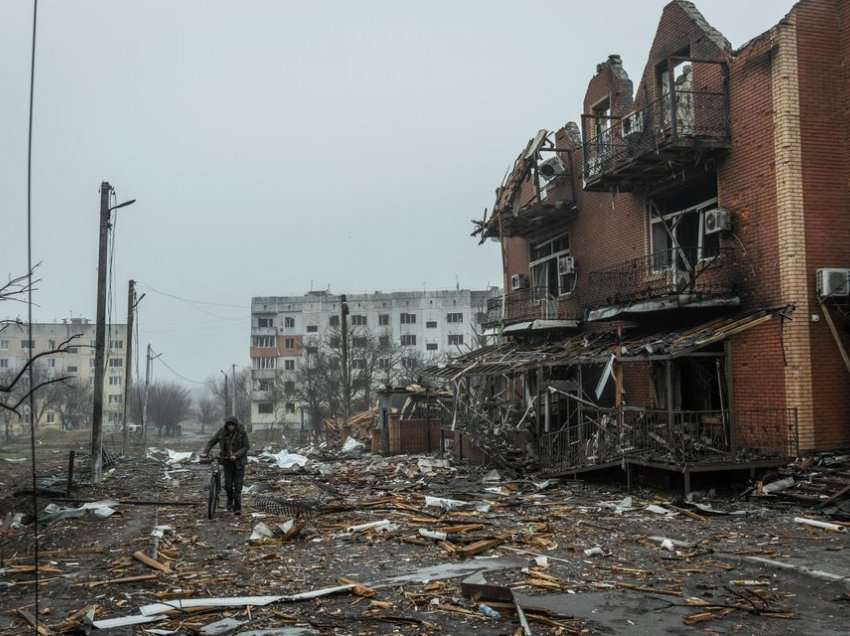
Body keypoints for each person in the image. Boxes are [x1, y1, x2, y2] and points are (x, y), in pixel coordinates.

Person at [202, 416, 250, 514]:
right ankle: (229, 500)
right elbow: (211, 442)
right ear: (226, 425)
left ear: (235, 425)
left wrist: (236, 455)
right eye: (229, 425)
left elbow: (246, 447)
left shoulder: (242, 432)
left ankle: (237, 507)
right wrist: (205, 452)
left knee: (238, 486)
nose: (230, 427)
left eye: (232, 425)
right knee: (228, 486)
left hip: (239, 463)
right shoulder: (222, 432)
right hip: (227, 462)